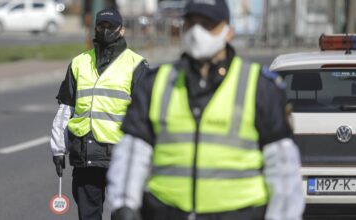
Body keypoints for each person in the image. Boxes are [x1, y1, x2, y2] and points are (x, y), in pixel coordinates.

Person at [107, 0, 305, 220]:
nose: (197, 32)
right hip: (166, 212)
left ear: (228, 32)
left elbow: (283, 168)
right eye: (191, 23)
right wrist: (124, 207)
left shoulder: (259, 87)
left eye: (208, 24)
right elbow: (132, 153)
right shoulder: (156, 84)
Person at [50, 8, 149, 220]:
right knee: (88, 215)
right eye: (101, 26)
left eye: (111, 27)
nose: (105, 31)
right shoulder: (79, 63)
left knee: (123, 215)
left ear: (121, 30)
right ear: (95, 28)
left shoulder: (136, 64)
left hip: (121, 157)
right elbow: (66, 109)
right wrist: (58, 148)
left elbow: (146, 115)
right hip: (85, 154)